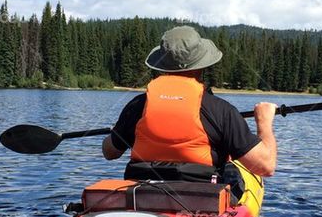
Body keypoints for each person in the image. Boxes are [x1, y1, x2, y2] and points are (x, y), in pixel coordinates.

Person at [102, 25, 278, 179]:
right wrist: (264, 122)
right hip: (201, 199)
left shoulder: (137, 106)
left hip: (142, 198)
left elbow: (109, 152)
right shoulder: (221, 111)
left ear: (162, 65)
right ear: (202, 65)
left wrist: (118, 131)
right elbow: (265, 167)